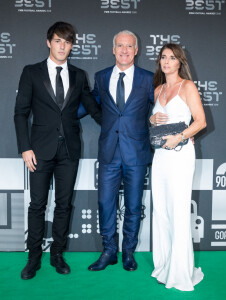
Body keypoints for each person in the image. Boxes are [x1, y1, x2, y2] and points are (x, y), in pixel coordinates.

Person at [14, 21, 102, 280]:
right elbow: (21, 113)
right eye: (58, 41)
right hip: (39, 150)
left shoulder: (79, 75)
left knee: (64, 205)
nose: (63, 46)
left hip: (69, 151)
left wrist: (122, 122)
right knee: (37, 204)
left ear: (72, 45)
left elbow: (94, 110)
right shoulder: (31, 72)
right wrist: (25, 147)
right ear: (48, 42)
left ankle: (57, 254)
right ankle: (33, 258)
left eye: (67, 41)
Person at [88, 30, 154, 272]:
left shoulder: (149, 78)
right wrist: (59, 116)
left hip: (136, 153)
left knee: (134, 206)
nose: (124, 50)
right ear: (113, 49)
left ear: (136, 50)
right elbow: (91, 103)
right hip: (108, 153)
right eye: (120, 45)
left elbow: (163, 107)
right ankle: (108, 251)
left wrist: (181, 134)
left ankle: (128, 252)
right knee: (106, 204)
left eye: (129, 46)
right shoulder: (101, 76)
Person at [149, 43, 206, 291]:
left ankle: (180, 272)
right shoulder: (158, 89)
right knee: (161, 211)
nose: (166, 61)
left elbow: (201, 121)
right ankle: (164, 265)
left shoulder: (187, 86)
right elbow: (157, 122)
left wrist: (180, 136)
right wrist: (151, 118)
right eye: (163, 57)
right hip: (160, 156)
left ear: (180, 62)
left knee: (178, 211)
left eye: (172, 58)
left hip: (181, 154)